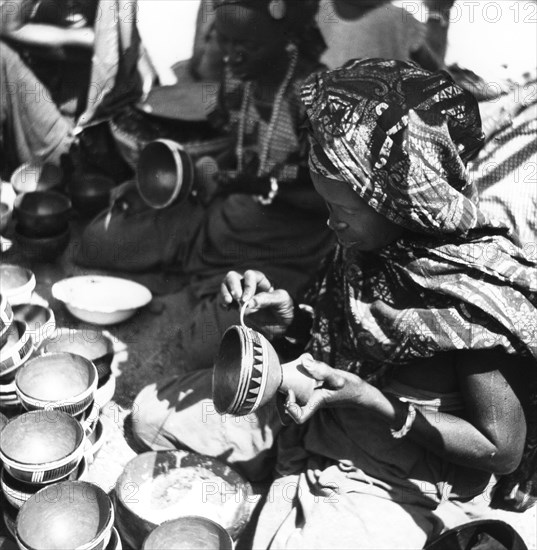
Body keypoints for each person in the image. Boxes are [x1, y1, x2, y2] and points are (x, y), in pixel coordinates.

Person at [132, 59, 537, 548]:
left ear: (398, 198)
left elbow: (500, 450)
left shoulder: (468, 292)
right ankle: (289, 473)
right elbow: (332, 340)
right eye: (327, 206)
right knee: (148, 415)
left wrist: (376, 403)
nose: (330, 224)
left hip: (392, 466)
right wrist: (290, 323)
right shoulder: (367, 245)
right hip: (317, 411)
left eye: (341, 210)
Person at [79, 0, 334, 370]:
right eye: (223, 40)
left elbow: (329, 198)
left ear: (286, 35)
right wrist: (151, 186)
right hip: (219, 223)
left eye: (245, 44)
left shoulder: (316, 97)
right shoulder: (239, 77)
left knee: (193, 352)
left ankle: (204, 290)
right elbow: (235, 146)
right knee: (95, 241)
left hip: (280, 255)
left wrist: (255, 183)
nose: (231, 56)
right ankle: (197, 280)